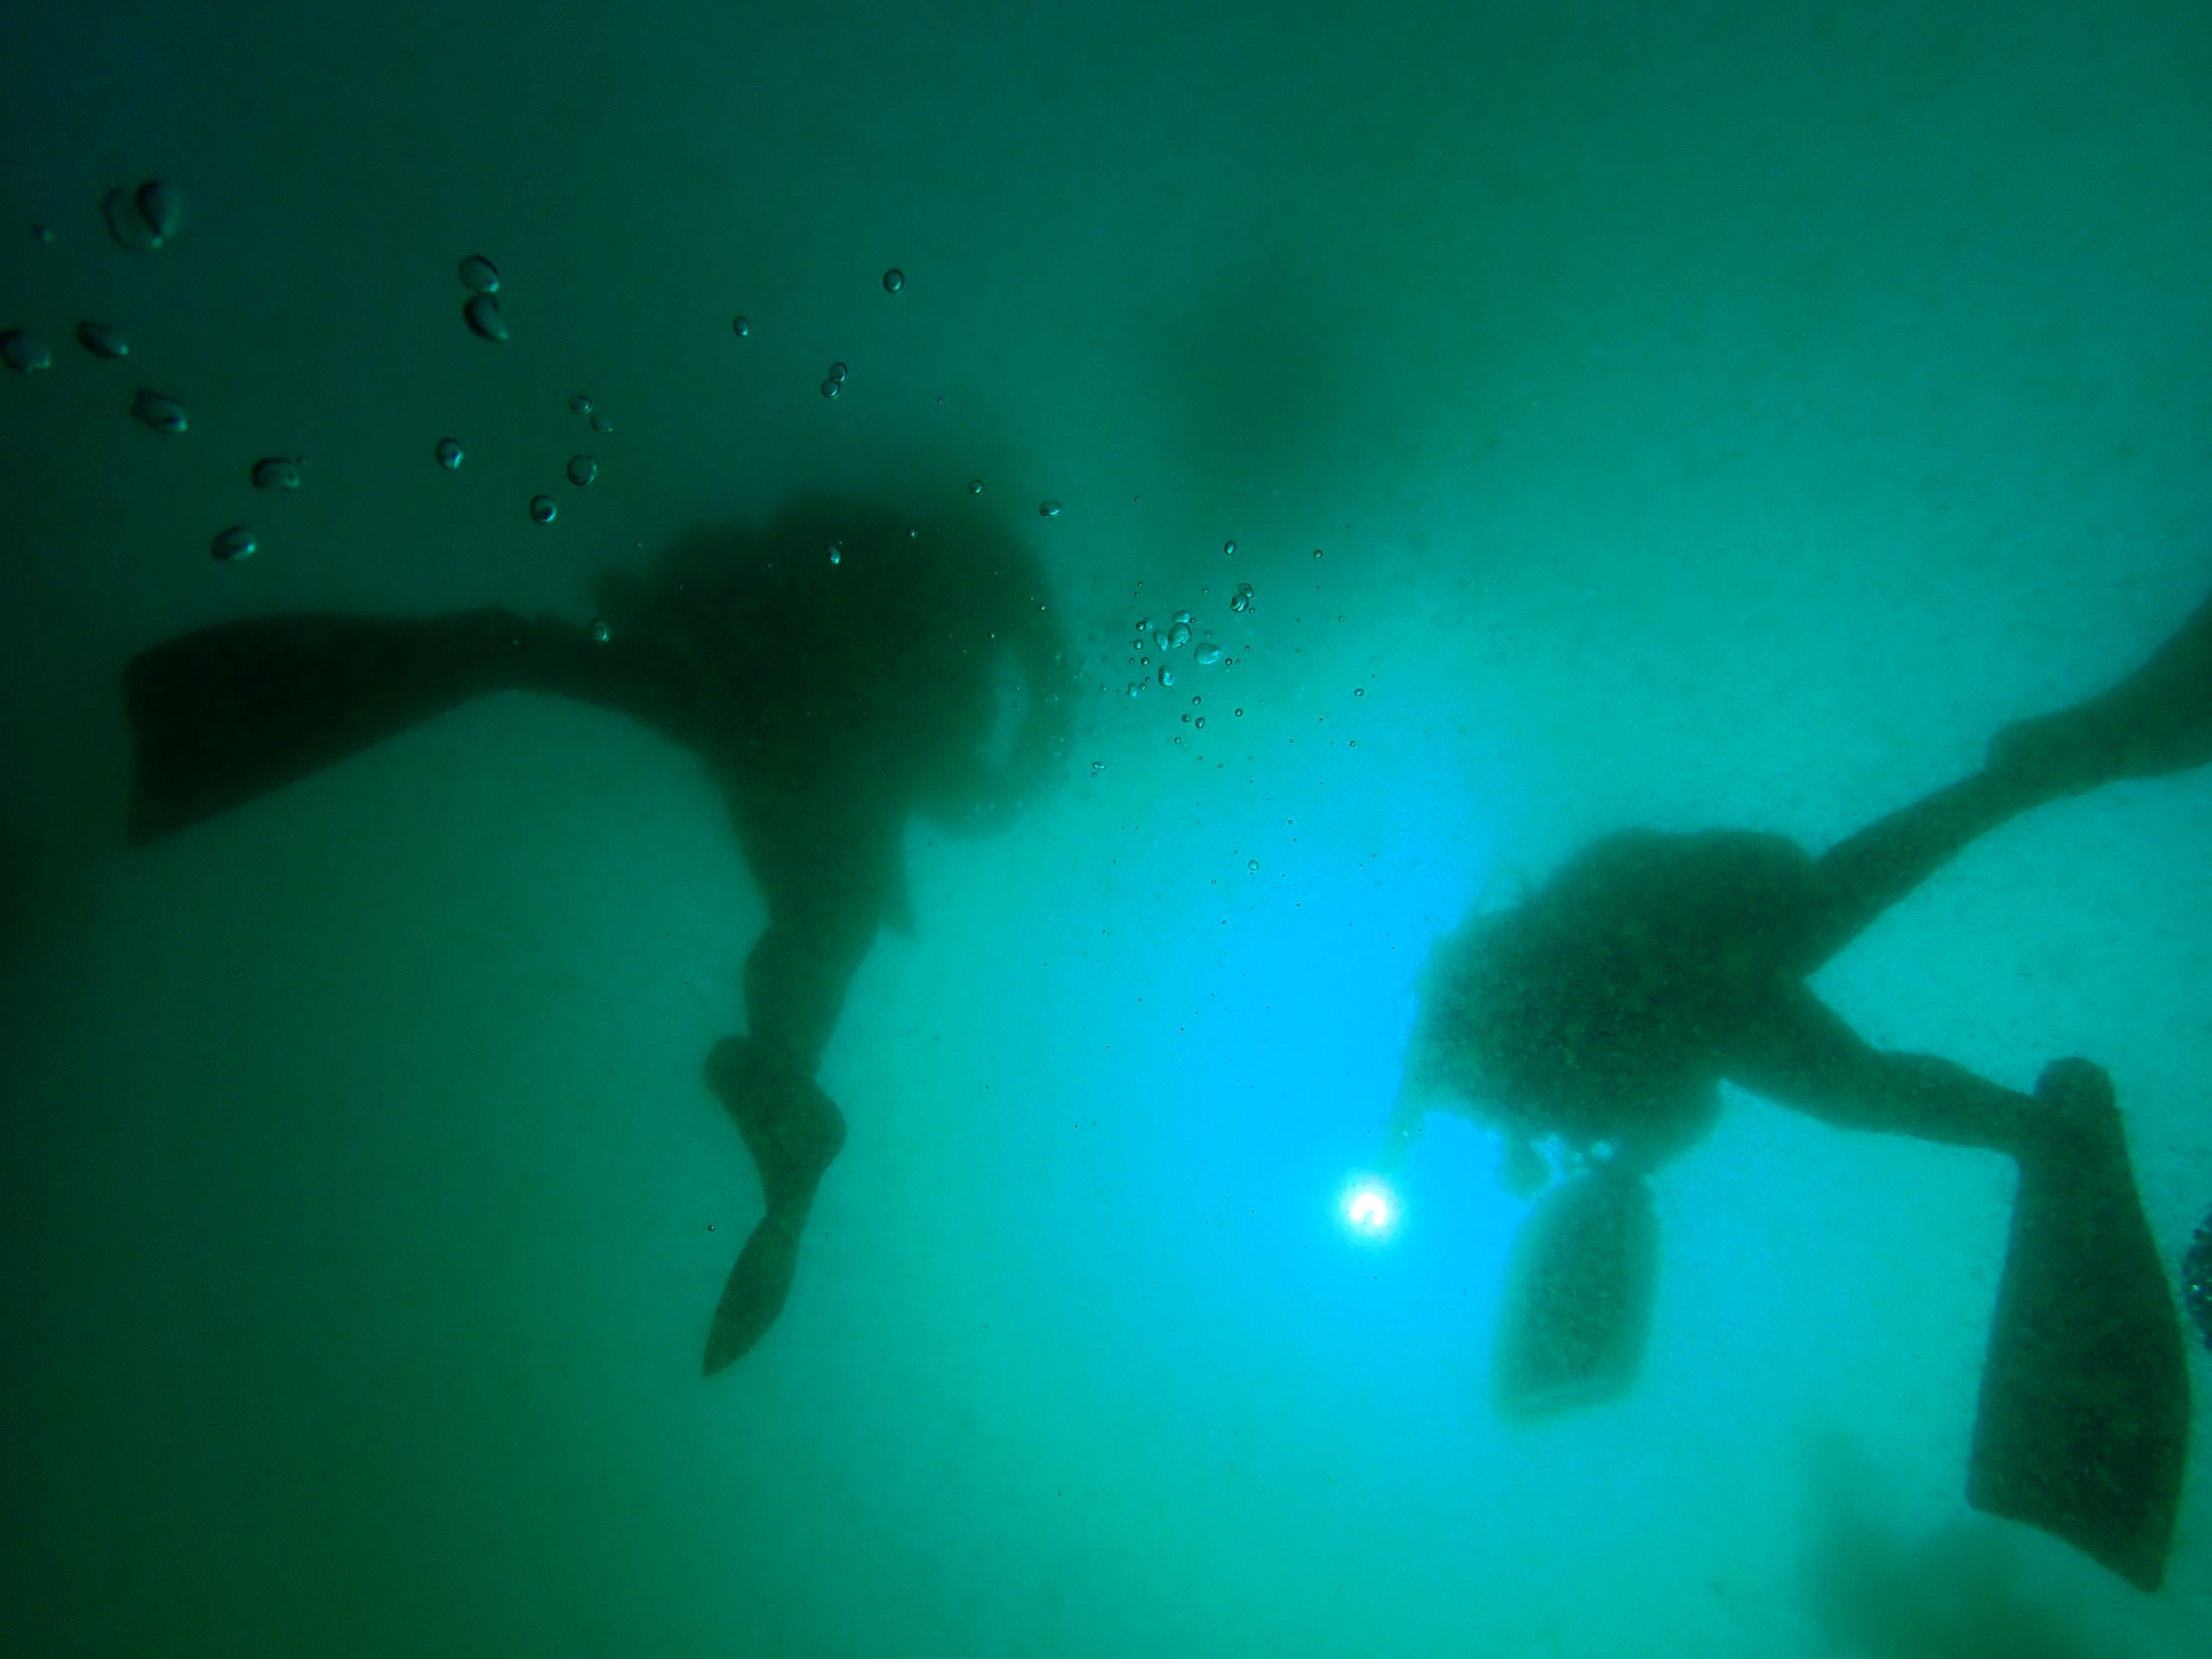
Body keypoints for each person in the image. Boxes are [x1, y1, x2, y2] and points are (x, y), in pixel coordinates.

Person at [122, 493, 1070, 1373]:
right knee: (825, 917)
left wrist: (992, 765)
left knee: (537, 664)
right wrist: (1007, 771)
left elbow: (1027, 704)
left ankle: (785, 1105)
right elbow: (1042, 685)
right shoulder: (968, 575)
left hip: (757, 699)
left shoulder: (918, 588)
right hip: (787, 709)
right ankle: (783, 1099)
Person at [1387, 584, 2210, 1592]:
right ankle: (2030, 793)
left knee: (1857, 1055)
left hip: (1698, 956)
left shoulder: (1516, 1034)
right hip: (1709, 963)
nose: (1494, 1122)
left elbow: (1666, 1088)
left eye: (1482, 1110)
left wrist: (1620, 1157)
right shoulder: (1523, 1052)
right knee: (1859, 1009)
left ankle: (2035, 1105)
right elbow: (1683, 1103)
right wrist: (1623, 1162)